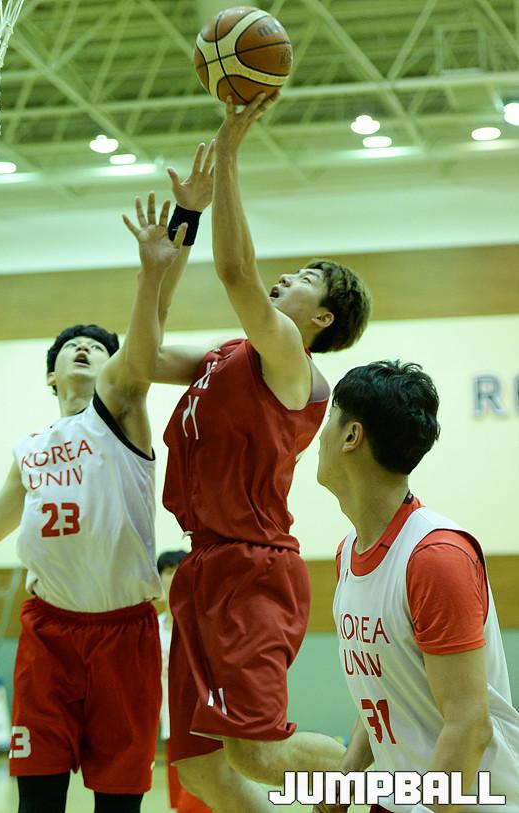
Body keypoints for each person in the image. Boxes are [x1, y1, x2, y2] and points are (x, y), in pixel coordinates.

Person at [141, 93, 372, 812]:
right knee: (202, 771)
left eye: (303, 279)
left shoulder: (291, 361)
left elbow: (237, 273)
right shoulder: (226, 354)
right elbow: (145, 353)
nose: (284, 278)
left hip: (250, 568)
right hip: (202, 566)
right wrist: (175, 235)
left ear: (322, 316)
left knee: (258, 753)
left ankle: (406, 776)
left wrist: (230, 154)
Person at [0, 142, 213, 813]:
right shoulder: (28, 451)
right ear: (50, 375)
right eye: (68, 347)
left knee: (117, 803)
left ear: (114, 367)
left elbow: (151, 325)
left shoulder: (122, 411)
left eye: (98, 345)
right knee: (38, 802)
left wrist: (183, 223)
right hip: (47, 633)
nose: (83, 346)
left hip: (124, 635)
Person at [316, 360, 519, 813]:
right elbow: (387, 689)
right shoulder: (348, 552)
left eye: (330, 418)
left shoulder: (435, 557)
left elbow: (468, 724)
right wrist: (345, 779)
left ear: (352, 436)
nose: (319, 435)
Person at [157, 550, 212, 813]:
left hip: (201, 728)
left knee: (199, 802)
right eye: (169, 571)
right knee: (179, 802)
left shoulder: (203, 624)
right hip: (169, 725)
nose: (175, 576)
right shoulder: (151, 627)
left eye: (181, 569)